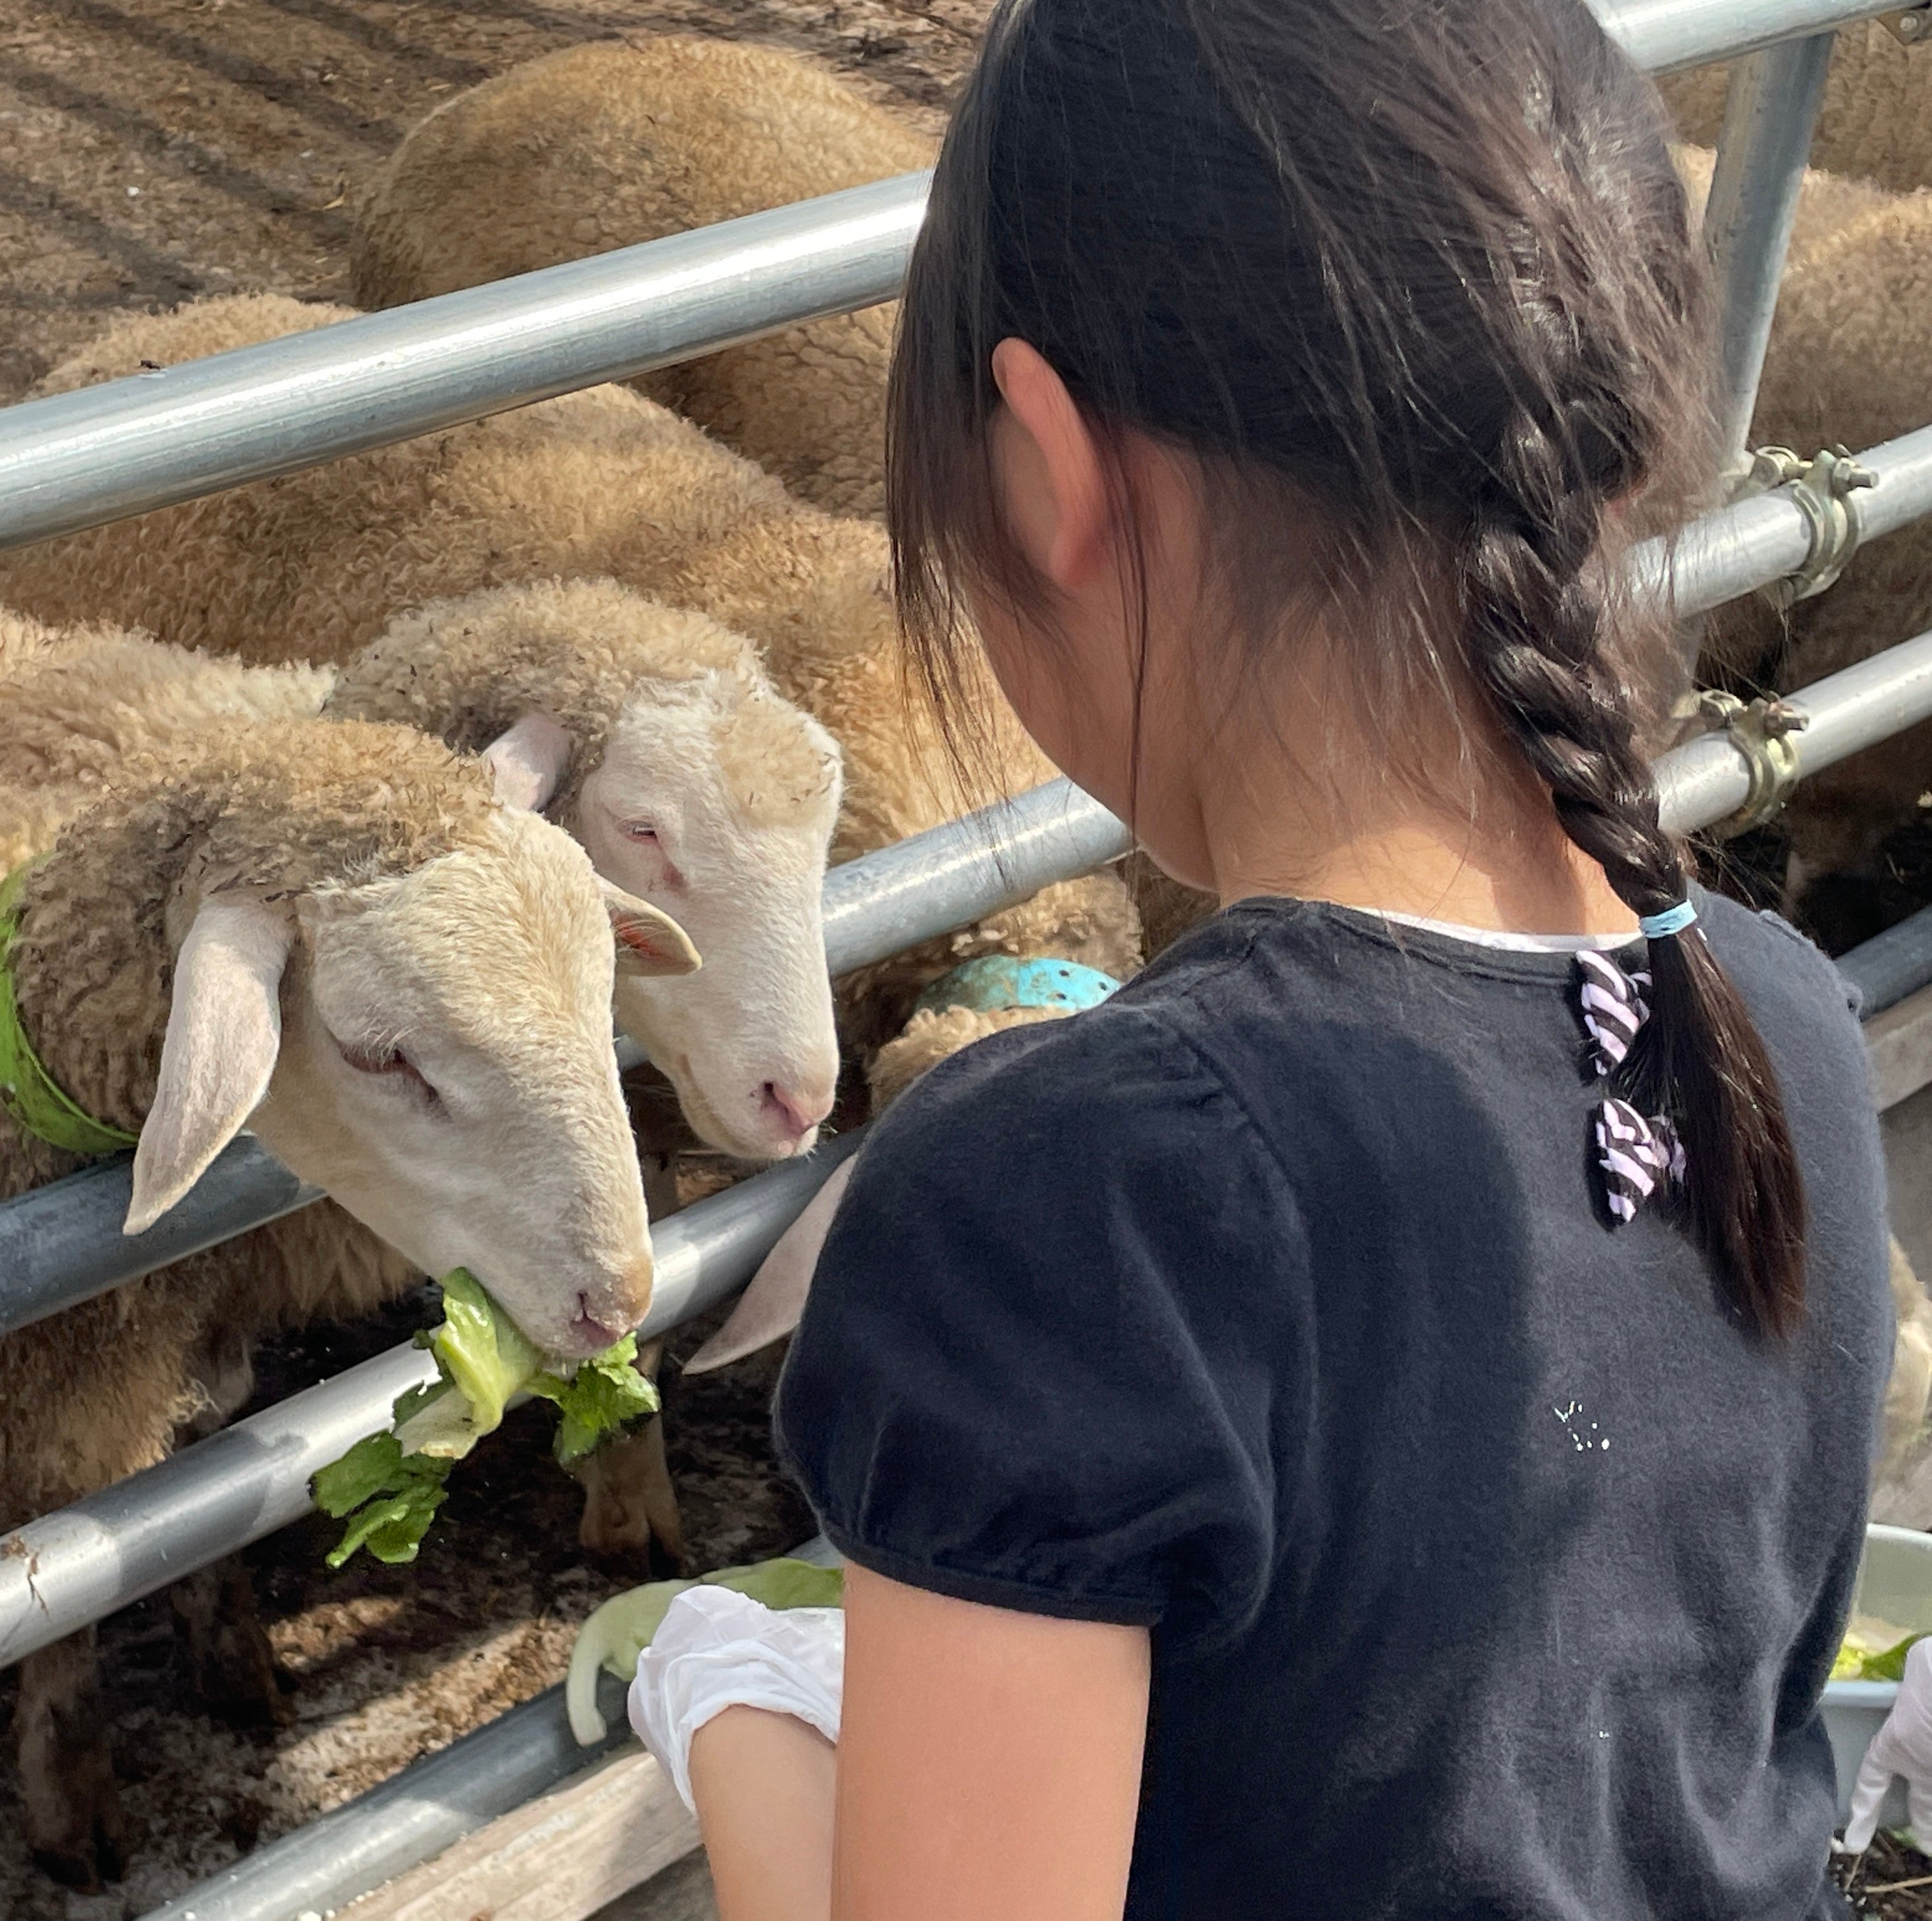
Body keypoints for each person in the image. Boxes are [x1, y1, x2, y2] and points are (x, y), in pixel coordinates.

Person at [621, 1, 1896, 1915]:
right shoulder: (1771, 1018)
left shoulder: (1076, 1198)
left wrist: (732, 1711)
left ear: (1048, 467)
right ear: (1628, 440)